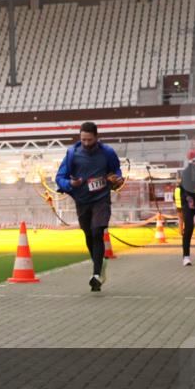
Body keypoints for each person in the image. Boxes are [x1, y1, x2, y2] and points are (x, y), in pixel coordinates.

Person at [55, 122, 123, 292]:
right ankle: (100, 266)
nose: (86, 143)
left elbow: (116, 170)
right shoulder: (72, 153)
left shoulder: (107, 152)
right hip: (82, 199)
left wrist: (117, 179)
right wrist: (70, 183)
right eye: (83, 139)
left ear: (96, 137)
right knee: (87, 233)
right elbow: (59, 177)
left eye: (89, 140)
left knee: (97, 231)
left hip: (101, 199)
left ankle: (96, 275)